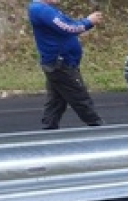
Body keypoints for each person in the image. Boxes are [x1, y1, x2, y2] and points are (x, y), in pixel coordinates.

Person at [28, 0, 104, 130]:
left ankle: (48, 130)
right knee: (80, 98)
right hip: (60, 63)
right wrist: (88, 22)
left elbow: (69, 25)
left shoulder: (48, 9)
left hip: (60, 62)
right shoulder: (41, 10)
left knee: (56, 102)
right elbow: (68, 28)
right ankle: (100, 129)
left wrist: (86, 22)